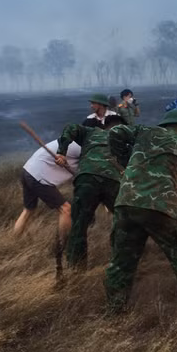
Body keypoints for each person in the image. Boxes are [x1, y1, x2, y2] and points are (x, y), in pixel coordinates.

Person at [104, 108, 177, 312]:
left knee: (121, 263)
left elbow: (115, 132)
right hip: (160, 208)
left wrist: (125, 160)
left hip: (126, 204)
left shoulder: (144, 131)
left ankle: (114, 310)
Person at [55, 115, 127, 269]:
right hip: (113, 182)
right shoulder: (124, 142)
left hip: (87, 179)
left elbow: (71, 127)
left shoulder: (91, 132)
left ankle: (76, 269)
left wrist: (61, 151)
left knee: (79, 225)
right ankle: (121, 263)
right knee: (125, 222)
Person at [13, 139, 81, 250]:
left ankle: (14, 241)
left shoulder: (71, 140)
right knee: (66, 209)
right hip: (38, 176)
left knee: (28, 210)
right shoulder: (82, 145)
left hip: (27, 171)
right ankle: (62, 247)